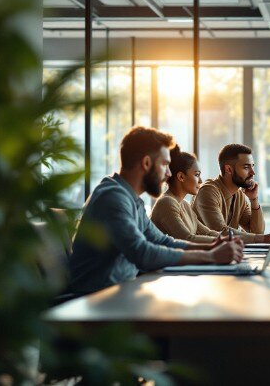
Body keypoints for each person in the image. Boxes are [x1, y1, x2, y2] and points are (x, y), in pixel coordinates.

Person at [68, 126, 243, 295]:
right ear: (146, 163)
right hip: (93, 302)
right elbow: (143, 253)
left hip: (120, 293)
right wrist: (211, 257)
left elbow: (163, 241)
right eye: (165, 164)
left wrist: (211, 248)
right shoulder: (113, 198)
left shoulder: (130, 198)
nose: (168, 174)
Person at [192, 144, 270, 244]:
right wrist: (264, 238)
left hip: (226, 254)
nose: (253, 173)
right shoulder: (208, 191)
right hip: (203, 256)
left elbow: (256, 232)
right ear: (229, 169)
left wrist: (254, 200)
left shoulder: (239, 195)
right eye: (246, 167)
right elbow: (220, 231)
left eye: (252, 167)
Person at [151, 145, 222, 243]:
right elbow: (186, 239)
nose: (201, 181)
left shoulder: (184, 204)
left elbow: (208, 233)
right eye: (197, 175)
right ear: (181, 177)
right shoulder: (166, 202)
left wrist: (230, 240)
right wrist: (223, 241)